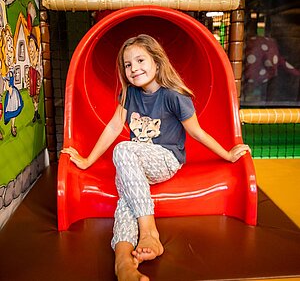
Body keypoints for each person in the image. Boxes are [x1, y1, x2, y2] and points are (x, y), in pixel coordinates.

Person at [62, 34, 250, 281]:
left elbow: (196, 131)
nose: (133, 68)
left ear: (157, 62)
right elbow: (113, 127)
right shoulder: (130, 94)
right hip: (136, 163)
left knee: (123, 149)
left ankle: (149, 230)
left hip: (166, 159)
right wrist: (87, 160)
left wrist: (227, 153)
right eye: (128, 65)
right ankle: (124, 264)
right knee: (126, 198)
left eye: (140, 60)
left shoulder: (173, 96)